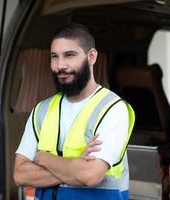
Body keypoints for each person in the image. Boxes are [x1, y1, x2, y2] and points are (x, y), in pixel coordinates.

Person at [13, 23, 135, 200]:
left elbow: (90, 176)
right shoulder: (42, 110)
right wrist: (76, 165)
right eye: (55, 57)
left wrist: (44, 158)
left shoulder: (112, 109)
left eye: (69, 55)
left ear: (91, 56)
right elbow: (20, 175)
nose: (60, 65)